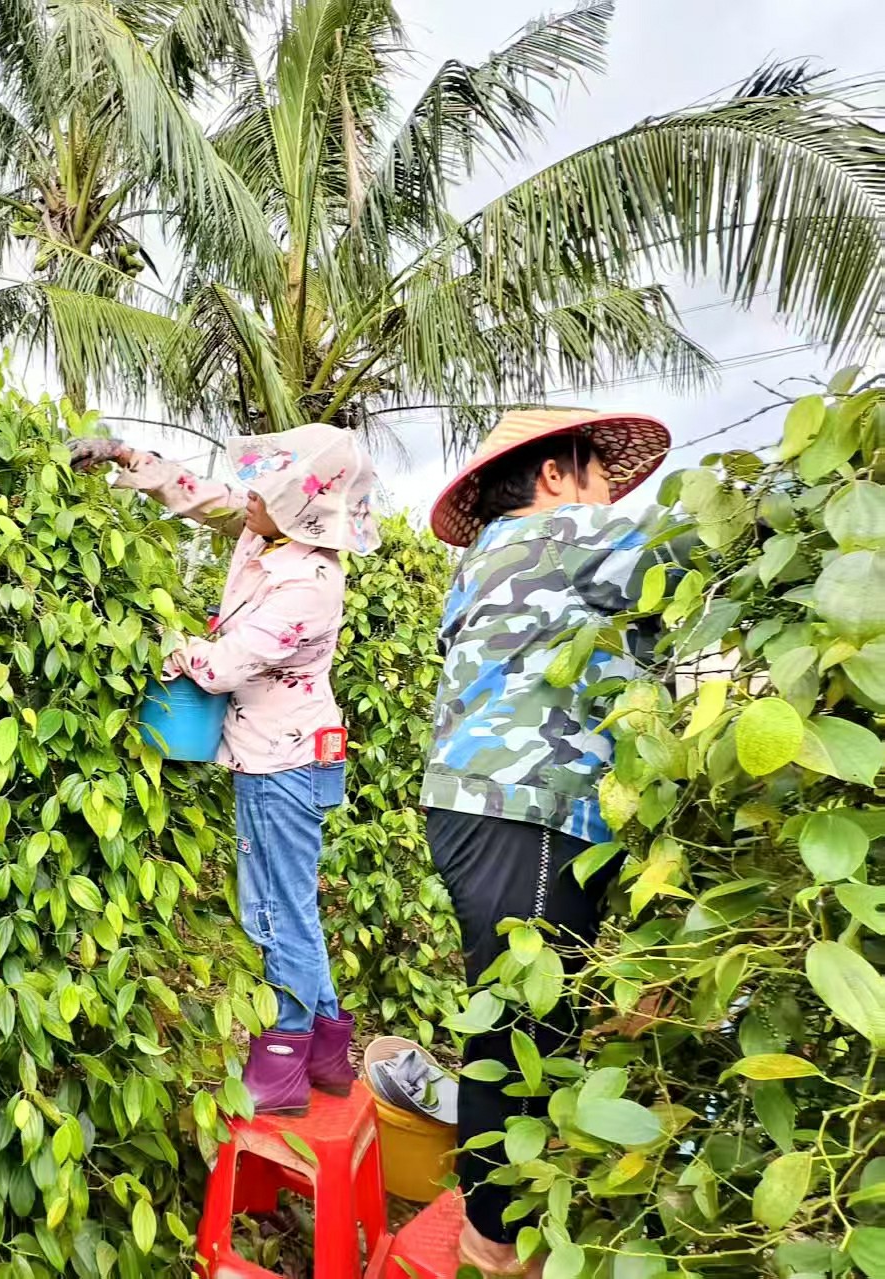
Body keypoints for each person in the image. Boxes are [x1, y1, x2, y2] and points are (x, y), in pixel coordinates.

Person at [421, 409, 679, 1276]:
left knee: (513, 1012)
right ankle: (498, 1243)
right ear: (555, 474)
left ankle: (496, 1221)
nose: (610, 488)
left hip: (469, 802)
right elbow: (694, 561)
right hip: (530, 805)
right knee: (526, 1024)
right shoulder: (571, 531)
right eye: (598, 469)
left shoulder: (482, 562)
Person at [72, 424, 379, 1115]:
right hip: (274, 752)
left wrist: (155, 640)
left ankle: (284, 1053)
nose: (249, 496)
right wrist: (129, 458)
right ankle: (328, 1052)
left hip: (285, 763)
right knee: (290, 907)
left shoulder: (313, 583)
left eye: (266, 490)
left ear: (302, 510)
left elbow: (223, 665)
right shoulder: (266, 535)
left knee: (276, 912)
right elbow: (206, 499)